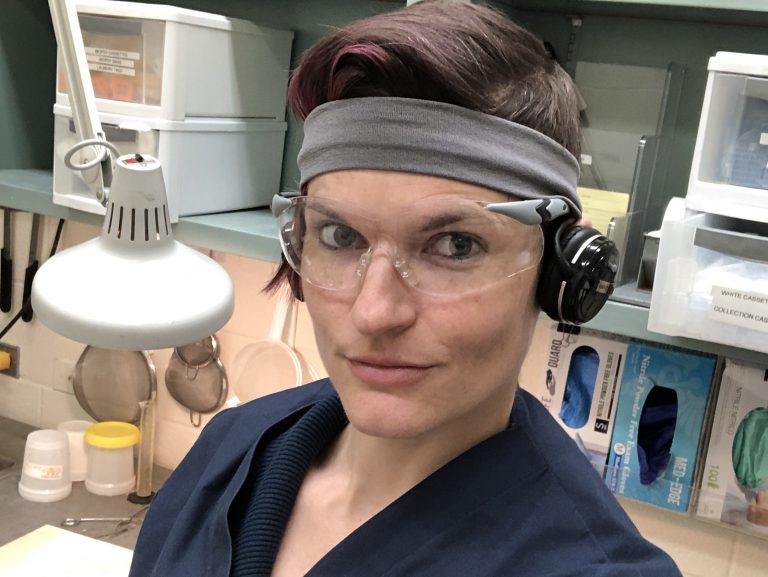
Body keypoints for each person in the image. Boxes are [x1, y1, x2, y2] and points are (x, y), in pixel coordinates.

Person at [129, 1, 683, 576]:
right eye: (340, 235)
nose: (374, 312)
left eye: (456, 245)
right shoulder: (230, 447)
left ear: (561, 272)